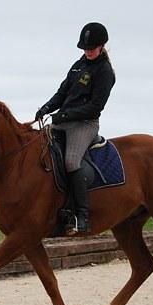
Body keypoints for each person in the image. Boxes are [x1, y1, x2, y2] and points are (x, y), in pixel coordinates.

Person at [35, 22, 116, 235]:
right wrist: (46, 107)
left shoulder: (105, 71)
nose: (88, 52)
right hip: (63, 120)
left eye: (91, 48)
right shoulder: (78, 65)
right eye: (85, 49)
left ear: (102, 46)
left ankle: (81, 215)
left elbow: (95, 106)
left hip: (85, 124)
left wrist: (65, 114)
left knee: (71, 162)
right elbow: (62, 93)